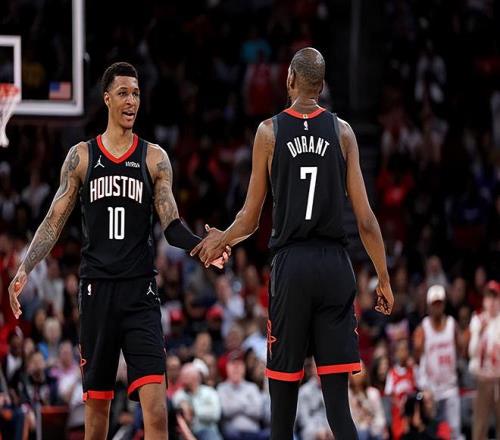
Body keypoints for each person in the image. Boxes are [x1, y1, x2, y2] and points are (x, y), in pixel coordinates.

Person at [8, 62, 229, 439]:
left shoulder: (154, 157)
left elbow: (172, 225)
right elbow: (53, 221)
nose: (131, 101)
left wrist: (202, 245)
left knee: (156, 410)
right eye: (124, 93)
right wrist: (25, 267)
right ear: (107, 98)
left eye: (136, 94)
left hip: (140, 293)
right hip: (97, 293)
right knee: (97, 416)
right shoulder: (81, 156)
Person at [191, 47, 394, 439]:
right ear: (322, 84)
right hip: (334, 265)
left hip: (292, 266)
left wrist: (221, 238)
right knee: (339, 410)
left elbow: (250, 218)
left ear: (289, 79)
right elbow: (366, 220)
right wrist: (382, 279)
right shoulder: (343, 132)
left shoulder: (269, 132)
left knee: (282, 412)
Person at [413, 285, 461, 439]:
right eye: (434, 304)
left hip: (450, 387)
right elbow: (416, 357)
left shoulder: (452, 325)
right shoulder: (423, 328)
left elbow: (461, 350)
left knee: (454, 431)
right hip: (431, 390)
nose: (437, 307)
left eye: (440, 303)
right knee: (432, 432)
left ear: (444, 304)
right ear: (428, 306)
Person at [468, 280, 500, 440]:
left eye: (495, 297)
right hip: (482, 380)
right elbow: (471, 352)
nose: (492, 302)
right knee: (480, 427)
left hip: (499, 378)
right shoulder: (477, 320)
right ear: (484, 300)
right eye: (488, 297)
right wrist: (479, 333)